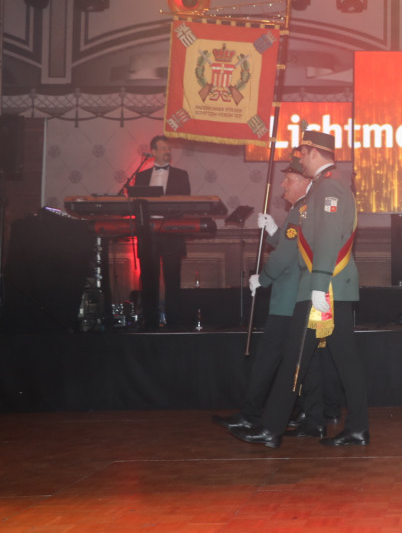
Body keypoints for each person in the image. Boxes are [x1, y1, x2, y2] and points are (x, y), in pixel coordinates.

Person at [231, 129, 369, 448]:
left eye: (302, 154)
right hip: (329, 287)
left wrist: (318, 285)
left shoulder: (329, 187)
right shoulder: (321, 187)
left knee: (294, 358)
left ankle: (271, 430)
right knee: (345, 362)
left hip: (324, 290)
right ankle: (358, 428)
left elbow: (329, 238)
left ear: (314, 153)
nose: (300, 161)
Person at [212, 150, 312, 434]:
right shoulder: (301, 210)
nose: (283, 185)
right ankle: (304, 412)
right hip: (294, 297)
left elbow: (285, 257)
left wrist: (263, 279)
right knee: (294, 360)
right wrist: (273, 230)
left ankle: (251, 413)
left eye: (288, 179)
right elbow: (288, 244)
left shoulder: (301, 210)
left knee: (268, 359)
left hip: (287, 299)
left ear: (303, 182)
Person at [133, 134, 191, 330]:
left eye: (169, 148)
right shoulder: (141, 177)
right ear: (154, 152)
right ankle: (149, 322)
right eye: (163, 148)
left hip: (171, 233)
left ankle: (174, 323)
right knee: (148, 279)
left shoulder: (181, 175)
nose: (167, 151)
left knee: (172, 278)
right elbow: (137, 206)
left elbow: (185, 204)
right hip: (148, 234)